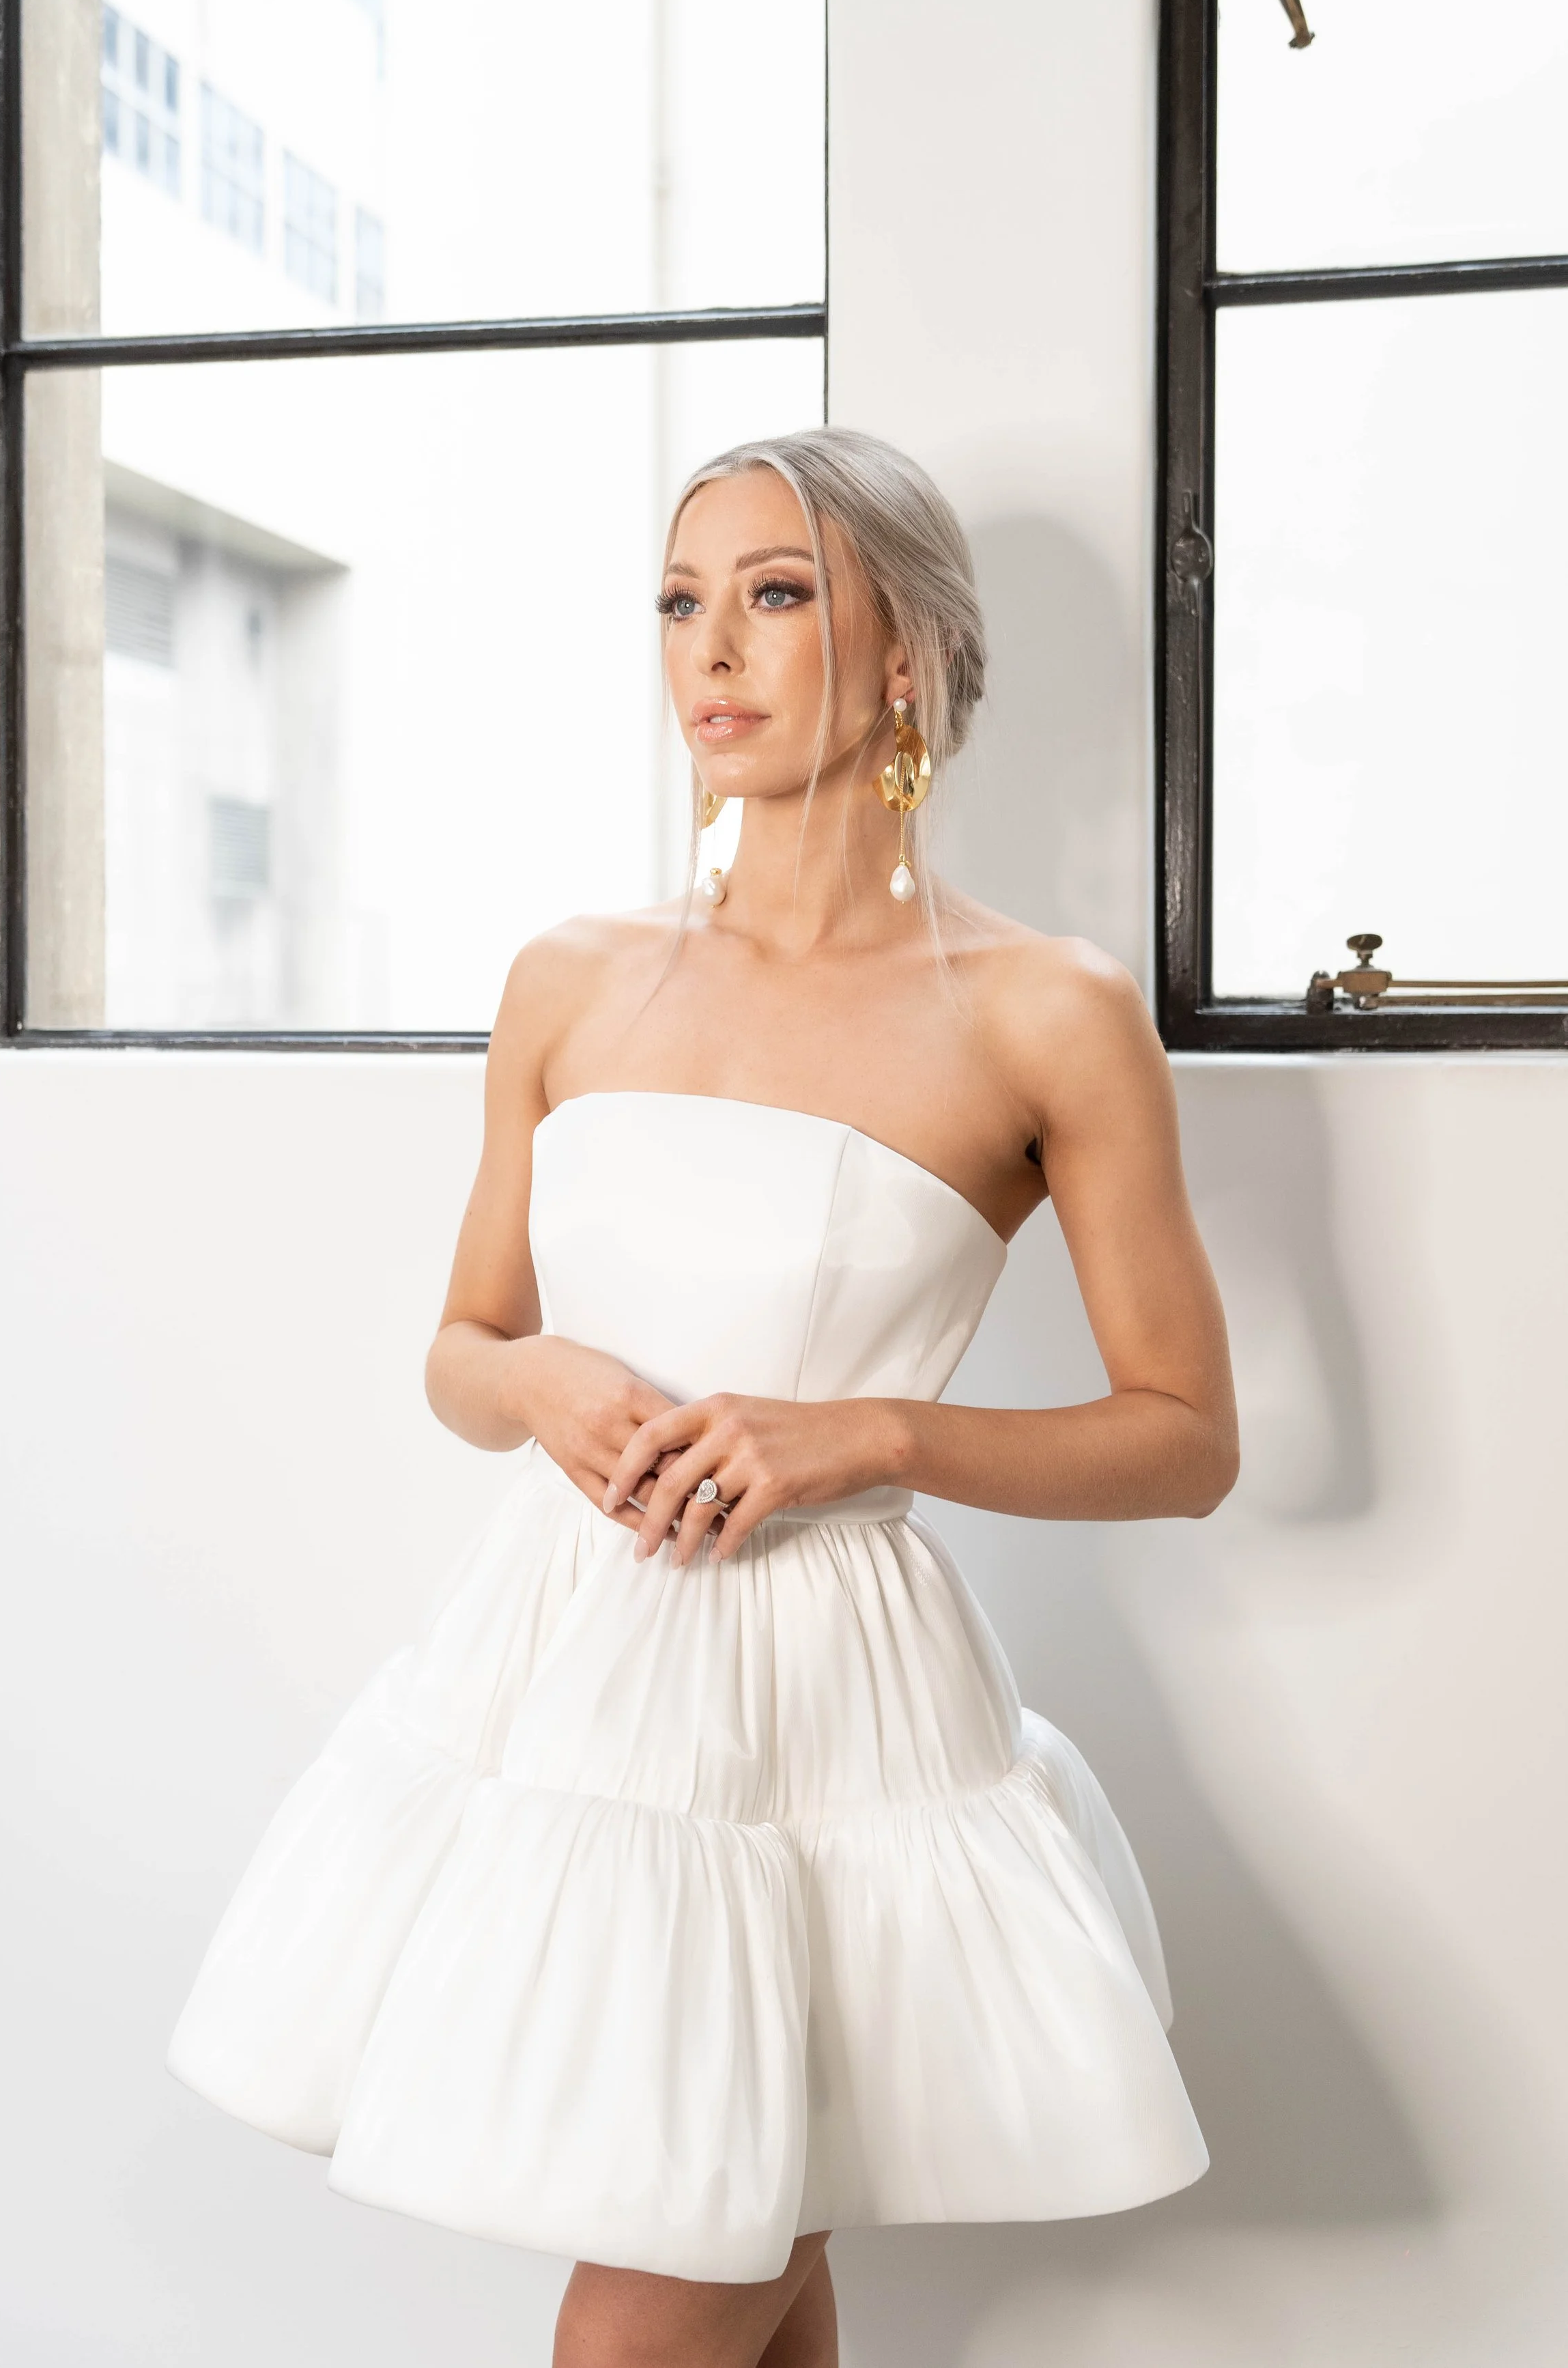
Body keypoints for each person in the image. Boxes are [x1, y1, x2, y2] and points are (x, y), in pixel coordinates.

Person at [168, 427, 1238, 2368]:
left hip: (824, 1706)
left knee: (667, 2284)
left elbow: (1184, 1432)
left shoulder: (1045, 1012)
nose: (709, 651)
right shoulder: (569, 978)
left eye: (774, 593)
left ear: (903, 648)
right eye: (679, 599)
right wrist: (545, 1381)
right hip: (562, 1674)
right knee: (749, 2235)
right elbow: (458, 1344)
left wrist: (872, 1434)